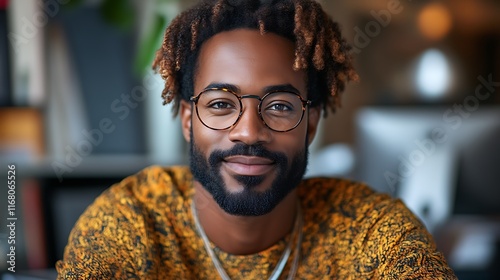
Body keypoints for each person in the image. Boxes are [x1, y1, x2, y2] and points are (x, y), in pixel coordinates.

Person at [56, 0, 457, 279]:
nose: (248, 131)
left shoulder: (370, 231)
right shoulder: (130, 224)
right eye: (220, 104)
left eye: (280, 106)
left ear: (311, 122)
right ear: (186, 119)